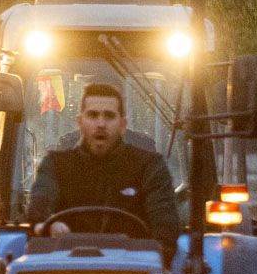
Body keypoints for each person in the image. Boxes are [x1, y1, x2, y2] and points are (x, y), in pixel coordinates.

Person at [24, 82, 180, 241]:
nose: (101, 124)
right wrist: (45, 225)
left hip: (133, 263)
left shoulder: (150, 166)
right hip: (66, 262)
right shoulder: (55, 165)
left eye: (109, 116)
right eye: (92, 115)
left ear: (123, 124)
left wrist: (156, 254)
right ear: (80, 122)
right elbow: (39, 206)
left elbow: (165, 226)